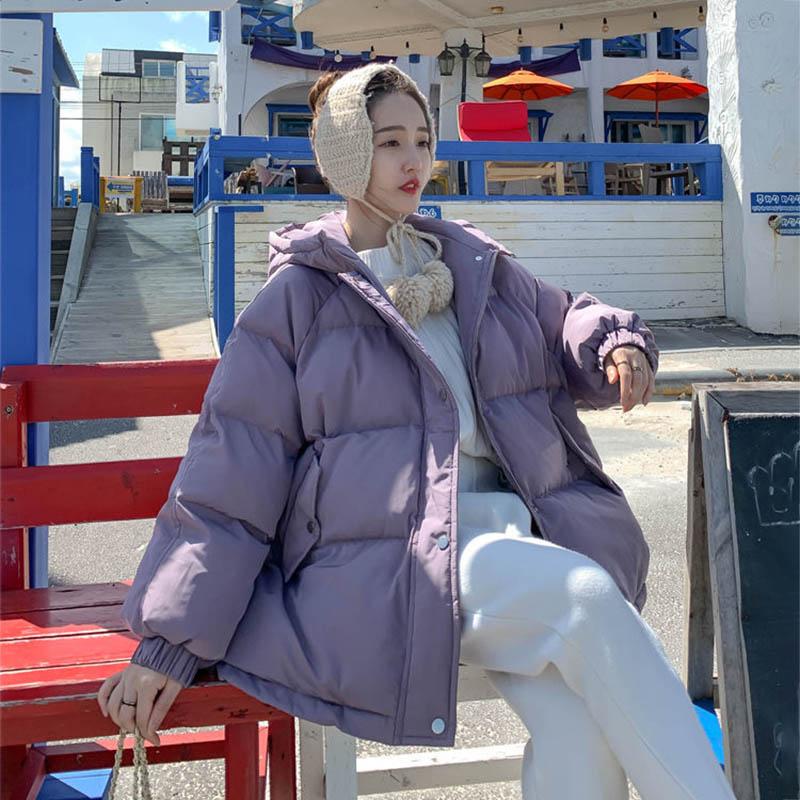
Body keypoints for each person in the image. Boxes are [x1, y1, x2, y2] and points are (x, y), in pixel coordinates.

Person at [97, 63, 735, 799]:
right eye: (388, 141)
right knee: (584, 596)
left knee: (577, 728)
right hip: (396, 562)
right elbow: (231, 474)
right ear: (344, 155)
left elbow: (563, 316)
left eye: (423, 140)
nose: (413, 160)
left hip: (516, 539)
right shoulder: (299, 298)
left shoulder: (469, 262)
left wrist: (613, 342)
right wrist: (171, 641)